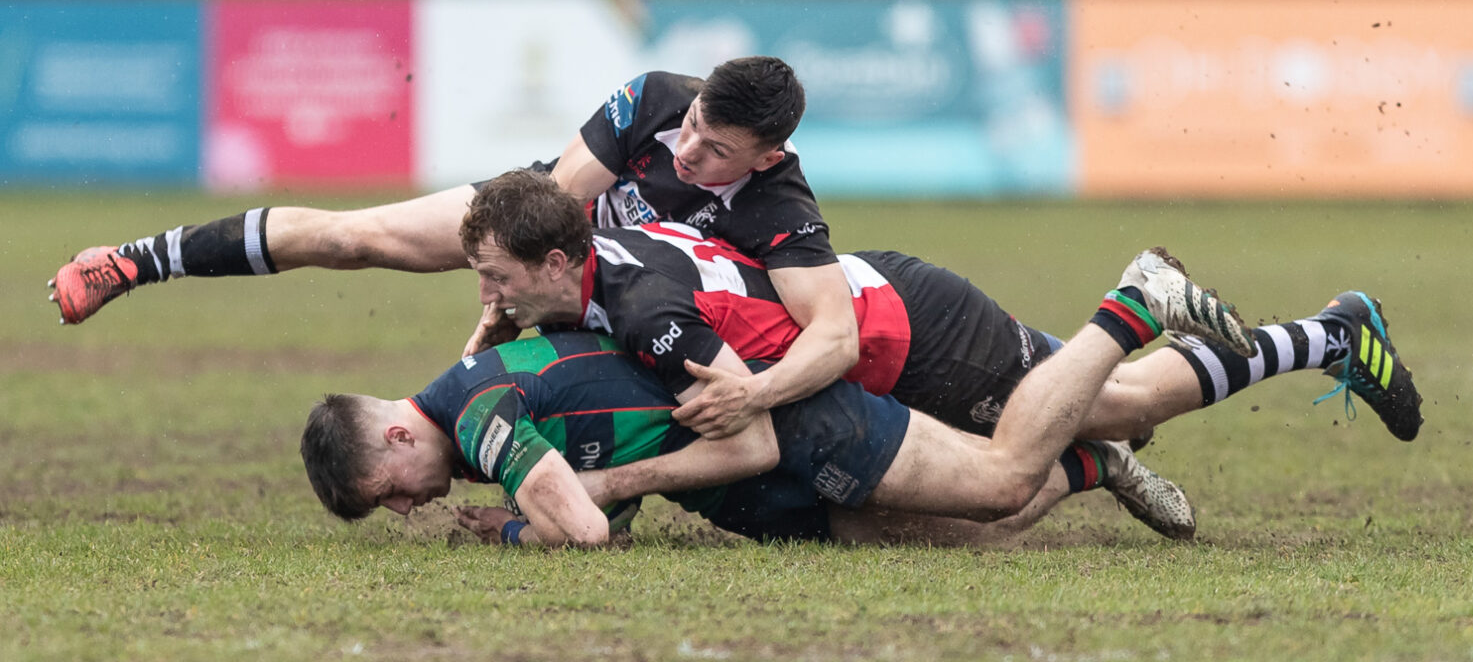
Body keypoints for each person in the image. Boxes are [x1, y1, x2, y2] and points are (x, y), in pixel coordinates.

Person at [49, 56, 860, 423]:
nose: (687, 152)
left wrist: (755, 396)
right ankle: (135, 261)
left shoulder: (781, 207)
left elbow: (836, 334)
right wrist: (506, 299)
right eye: (689, 129)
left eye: (714, 151)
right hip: (539, 229)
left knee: (624, 372)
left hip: (624, 298)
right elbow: (554, 207)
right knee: (354, 238)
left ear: (769, 155)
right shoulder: (653, 96)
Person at [299, 248, 1249, 547]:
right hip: (739, 488)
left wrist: (520, 523)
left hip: (795, 416)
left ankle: (1131, 304)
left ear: (391, 433)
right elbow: (595, 485)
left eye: (388, 490)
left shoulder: (476, 416)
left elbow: (585, 530)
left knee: (1001, 484)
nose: (406, 507)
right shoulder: (474, 403)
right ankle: (1091, 464)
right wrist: (546, 501)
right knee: (966, 533)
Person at [459, 169, 1425, 449]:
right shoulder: (598, 251)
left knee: (1119, 407)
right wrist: (516, 316)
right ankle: (1318, 333)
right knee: (1101, 405)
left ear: (556, 257)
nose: (487, 298)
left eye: (497, 277)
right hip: (891, 301)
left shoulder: (642, 305)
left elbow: (747, 408)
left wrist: (745, 402)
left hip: (904, 332)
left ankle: (1325, 333)